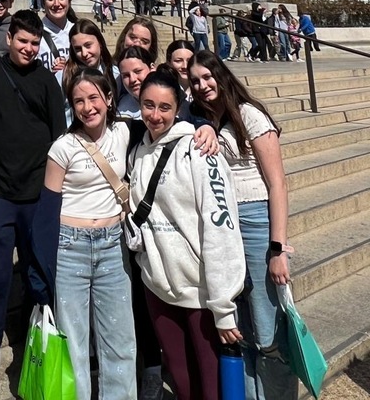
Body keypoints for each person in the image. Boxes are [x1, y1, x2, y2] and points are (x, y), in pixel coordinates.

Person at [0, 10, 66, 398]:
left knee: (40, 279)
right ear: (9, 39)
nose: (28, 48)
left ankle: (35, 354)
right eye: (23, 41)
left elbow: (60, 138)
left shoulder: (46, 81)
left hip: (39, 197)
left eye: (34, 43)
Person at [128, 66, 245, 400]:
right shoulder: (138, 152)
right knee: (183, 385)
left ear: (178, 108)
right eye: (148, 105)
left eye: (164, 107)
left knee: (212, 389)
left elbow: (220, 225)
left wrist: (223, 306)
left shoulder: (198, 149)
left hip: (201, 292)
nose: (155, 114)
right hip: (158, 286)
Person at [188, 51, 299, 400]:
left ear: (222, 76)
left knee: (268, 333)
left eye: (208, 77)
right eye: (195, 81)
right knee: (242, 329)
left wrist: (277, 248)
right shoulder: (205, 118)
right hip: (224, 224)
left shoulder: (250, 115)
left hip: (254, 221)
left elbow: (277, 183)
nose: (203, 86)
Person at [43, 69, 137, 400]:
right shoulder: (63, 147)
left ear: (109, 99)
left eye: (94, 98)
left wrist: (206, 131)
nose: (87, 107)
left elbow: (164, 117)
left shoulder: (124, 132)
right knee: (74, 340)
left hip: (113, 244)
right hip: (71, 246)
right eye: (79, 100)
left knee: (120, 338)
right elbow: (48, 210)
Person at [57, 19, 120, 125]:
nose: (84, 53)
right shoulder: (64, 75)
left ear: (100, 43)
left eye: (88, 45)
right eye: (77, 49)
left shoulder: (115, 74)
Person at [37, 0, 77, 71]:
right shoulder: (35, 34)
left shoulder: (79, 31)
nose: (56, 4)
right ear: (43, 2)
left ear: (69, 0)